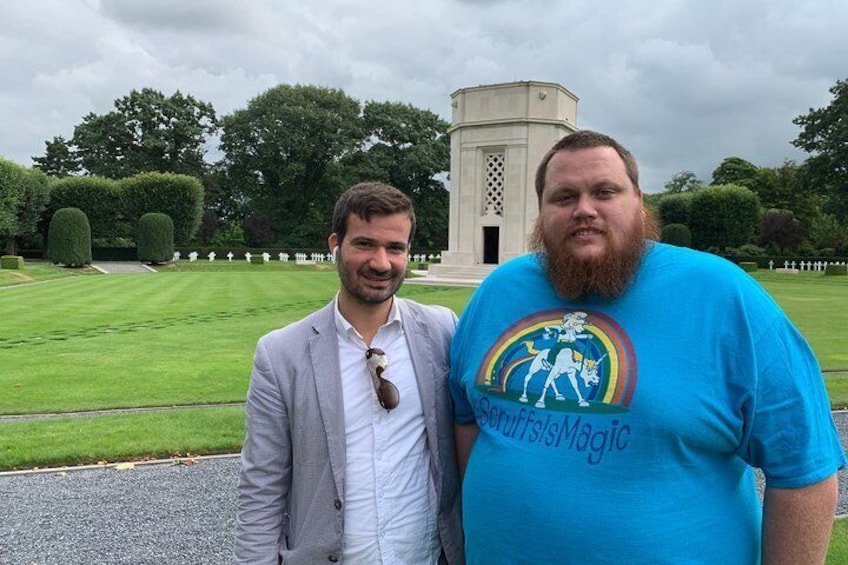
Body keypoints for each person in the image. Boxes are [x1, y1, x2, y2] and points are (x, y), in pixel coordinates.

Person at [449, 130, 846, 564]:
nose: (584, 209)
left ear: (638, 199)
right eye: (563, 197)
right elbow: (467, 417)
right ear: (541, 211)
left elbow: (804, 467)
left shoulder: (723, 296)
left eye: (604, 191)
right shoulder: (500, 290)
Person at [236, 182, 463, 564]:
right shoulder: (281, 354)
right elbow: (262, 484)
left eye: (395, 248)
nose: (381, 262)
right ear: (335, 244)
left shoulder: (442, 331)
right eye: (364, 244)